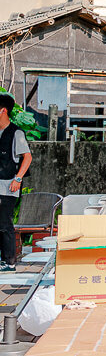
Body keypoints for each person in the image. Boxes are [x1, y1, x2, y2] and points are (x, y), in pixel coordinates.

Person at [0, 94, 32, 273]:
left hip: (8, 186)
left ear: (3, 110)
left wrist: (18, 178)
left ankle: (10, 262)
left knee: (4, 224)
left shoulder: (16, 133)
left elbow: (27, 157)